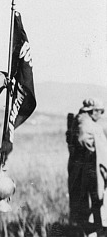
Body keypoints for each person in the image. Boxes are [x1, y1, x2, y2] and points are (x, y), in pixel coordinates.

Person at [68, 98, 107, 236]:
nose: (101, 115)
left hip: (87, 169)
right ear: (93, 111)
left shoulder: (82, 121)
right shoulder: (85, 123)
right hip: (89, 170)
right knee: (91, 203)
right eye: (100, 111)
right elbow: (84, 140)